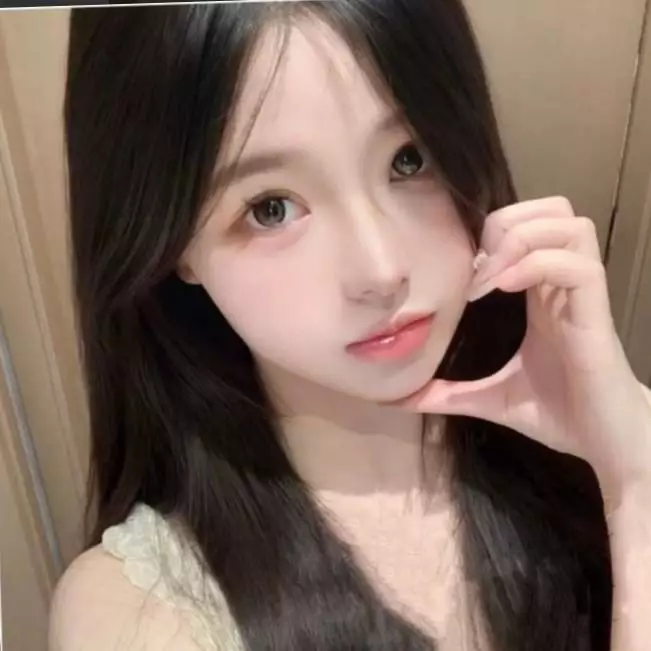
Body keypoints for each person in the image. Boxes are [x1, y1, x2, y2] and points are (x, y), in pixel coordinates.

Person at [48, 1, 651, 650]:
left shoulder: (587, 455)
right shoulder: (138, 612)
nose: (380, 269)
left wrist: (632, 469)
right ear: (171, 246)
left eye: (410, 158)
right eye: (271, 208)